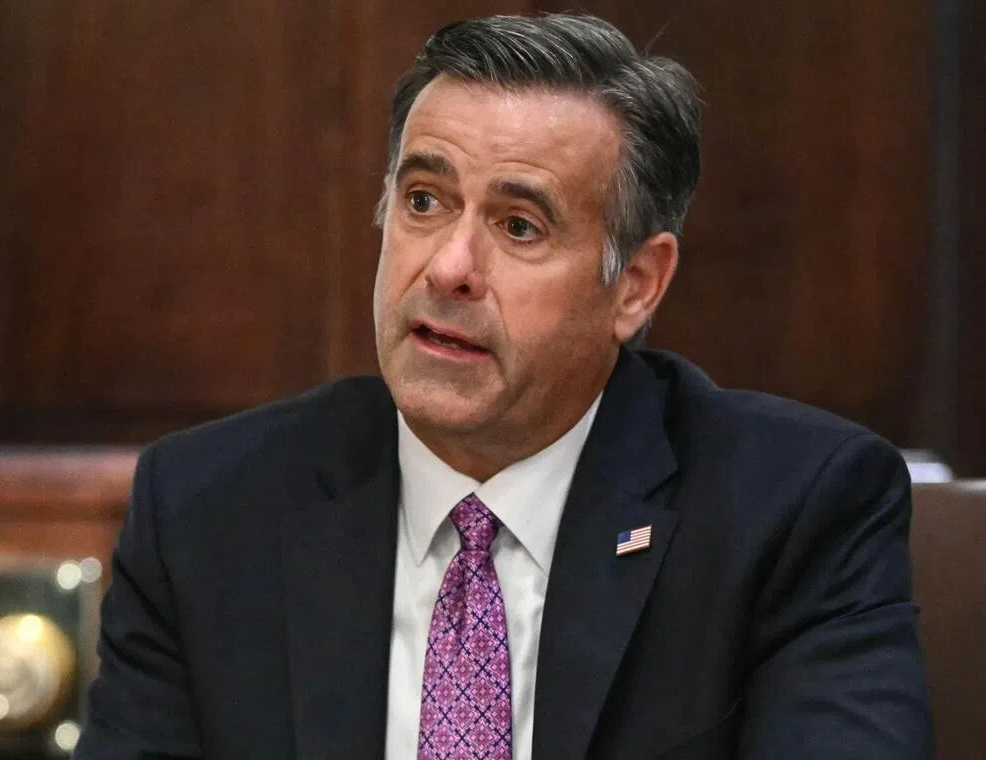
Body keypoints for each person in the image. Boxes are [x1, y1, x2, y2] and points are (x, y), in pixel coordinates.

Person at [74, 13, 932, 760]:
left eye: (519, 225)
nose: (449, 267)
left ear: (636, 286)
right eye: (423, 201)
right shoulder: (207, 510)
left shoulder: (791, 512)